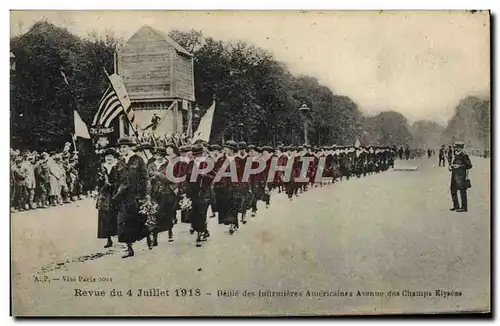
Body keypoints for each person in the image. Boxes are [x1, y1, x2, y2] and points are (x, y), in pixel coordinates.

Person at [113, 137, 149, 258]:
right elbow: (117, 179)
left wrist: (145, 195)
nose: (122, 149)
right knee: (123, 221)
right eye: (121, 147)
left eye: (124, 147)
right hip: (123, 196)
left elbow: (145, 178)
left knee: (139, 220)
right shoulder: (120, 162)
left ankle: (149, 237)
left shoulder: (138, 160)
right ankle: (129, 248)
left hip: (136, 195)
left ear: (130, 147)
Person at [96, 148, 121, 248]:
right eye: (107, 156)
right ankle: (108, 239)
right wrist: (101, 180)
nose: (109, 158)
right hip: (105, 194)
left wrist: (114, 185)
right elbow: (97, 181)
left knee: (118, 214)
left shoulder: (118, 166)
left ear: (114, 157)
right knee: (105, 215)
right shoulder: (102, 168)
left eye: (111, 156)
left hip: (117, 193)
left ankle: (121, 237)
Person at [449, 141, 472, 212]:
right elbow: (452, 164)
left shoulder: (464, 155)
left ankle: (464, 207)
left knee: (462, 191)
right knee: (453, 190)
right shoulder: (454, 155)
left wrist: (459, 166)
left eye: (458, 148)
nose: (456, 149)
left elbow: (469, 165)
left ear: (461, 148)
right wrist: (450, 167)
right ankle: (456, 206)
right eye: (456, 147)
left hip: (461, 176)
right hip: (454, 175)